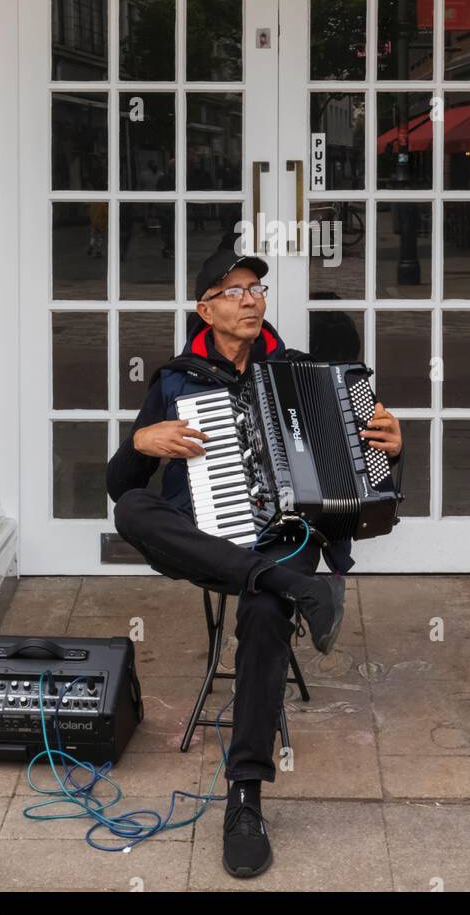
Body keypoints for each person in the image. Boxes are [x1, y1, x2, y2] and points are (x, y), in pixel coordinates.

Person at [107, 248, 403, 880]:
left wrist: (389, 451)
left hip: (285, 538)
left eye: (256, 290)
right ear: (204, 307)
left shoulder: (299, 373)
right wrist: (140, 441)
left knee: (265, 612)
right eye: (234, 289)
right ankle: (298, 589)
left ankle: (245, 796)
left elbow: (364, 471)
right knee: (132, 509)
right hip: (208, 542)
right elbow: (118, 482)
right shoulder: (177, 381)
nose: (250, 299)